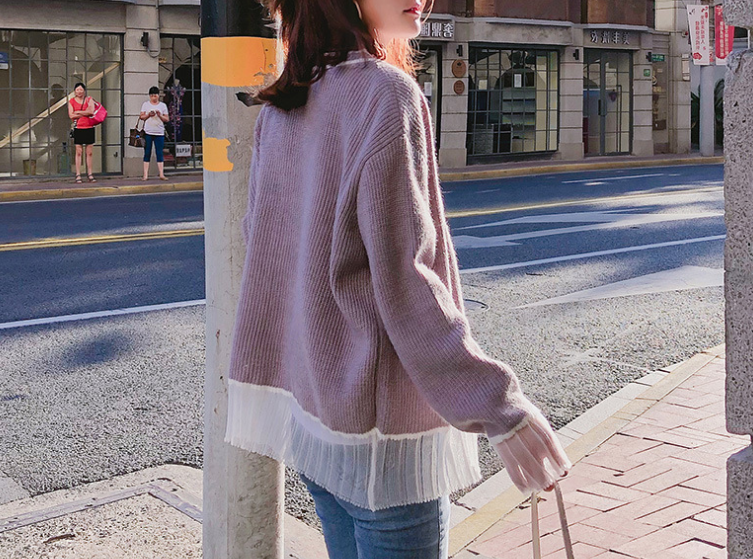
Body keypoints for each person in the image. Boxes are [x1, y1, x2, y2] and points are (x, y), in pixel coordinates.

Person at [226, 0, 572, 557]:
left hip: (316, 424)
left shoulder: (282, 107)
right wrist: (500, 407)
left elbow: (268, 254)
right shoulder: (386, 95)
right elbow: (407, 280)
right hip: (382, 439)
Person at [67, 82, 96, 183]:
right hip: (78, 128)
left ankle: (90, 174)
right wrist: (85, 113)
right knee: (78, 152)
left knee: (89, 152)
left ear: (84, 91)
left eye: (81, 89)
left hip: (89, 127)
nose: (79, 91)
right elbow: (71, 115)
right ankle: (78, 174)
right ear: (75, 91)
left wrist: (78, 112)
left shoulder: (89, 99)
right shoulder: (71, 101)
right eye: (77, 90)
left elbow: (91, 111)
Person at [139, 86, 170, 181]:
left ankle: (161, 174)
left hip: (159, 132)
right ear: (149, 96)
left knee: (159, 152)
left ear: (158, 96)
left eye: (155, 95)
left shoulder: (162, 106)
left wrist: (159, 115)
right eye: (152, 96)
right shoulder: (146, 104)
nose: (154, 98)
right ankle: (145, 175)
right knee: (147, 152)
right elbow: (141, 117)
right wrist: (149, 115)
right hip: (148, 131)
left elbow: (167, 119)